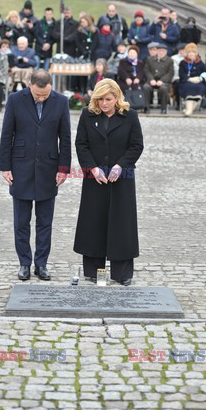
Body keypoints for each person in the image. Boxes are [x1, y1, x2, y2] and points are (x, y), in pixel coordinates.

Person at [0, 70, 71, 281]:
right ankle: (24, 263)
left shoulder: (61, 102)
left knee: (45, 221)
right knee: (21, 222)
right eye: (38, 95)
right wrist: (5, 166)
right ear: (30, 85)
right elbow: (6, 134)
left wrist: (63, 168)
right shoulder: (15, 100)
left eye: (45, 95)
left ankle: (41, 263)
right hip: (20, 166)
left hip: (49, 168)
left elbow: (65, 138)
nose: (42, 98)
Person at [74, 78, 144, 285]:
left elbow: (136, 145)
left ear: (117, 98)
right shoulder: (88, 115)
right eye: (100, 99)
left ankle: (122, 273)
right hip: (94, 178)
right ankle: (94, 271)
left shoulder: (130, 116)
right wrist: (92, 168)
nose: (104, 103)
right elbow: (81, 145)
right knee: (94, 222)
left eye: (108, 99)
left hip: (121, 179)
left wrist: (121, 165)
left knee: (121, 224)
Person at [178, 42, 206, 116]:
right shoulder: (183, 62)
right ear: (187, 53)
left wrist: (200, 78)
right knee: (189, 87)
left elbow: (205, 73)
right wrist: (189, 79)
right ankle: (189, 109)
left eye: (193, 52)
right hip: (186, 81)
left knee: (200, 87)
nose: (191, 54)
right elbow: (181, 74)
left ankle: (189, 109)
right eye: (189, 52)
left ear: (196, 53)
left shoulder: (200, 63)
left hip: (198, 81)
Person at [143, 43, 174, 114]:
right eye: (159, 50)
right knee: (146, 87)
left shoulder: (169, 60)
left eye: (163, 51)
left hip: (163, 81)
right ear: (157, 51)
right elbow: (146, 70)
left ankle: (163, 108)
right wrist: (151, 79)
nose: (161, 52)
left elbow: (170, 73)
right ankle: (146, 107)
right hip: (152, 81)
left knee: (164, 88)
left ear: (166, 52)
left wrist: (162, 80)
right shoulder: (149, 59)